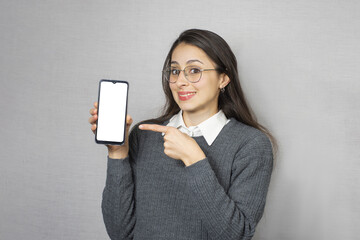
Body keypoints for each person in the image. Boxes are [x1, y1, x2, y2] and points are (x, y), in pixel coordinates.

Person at [89, 29, 276, 240]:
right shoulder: (145, 136)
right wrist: (118, 153)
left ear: (223, 79)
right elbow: (119, 233)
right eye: (175, 71)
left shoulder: (251, 145)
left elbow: (236, 236)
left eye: (194, 70)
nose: (180, 82)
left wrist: (194, 159)